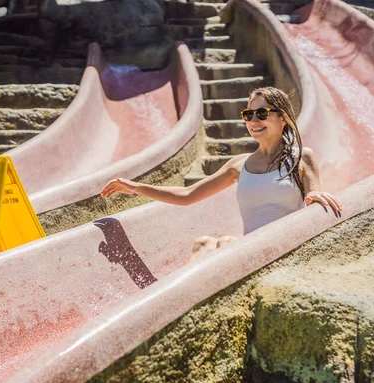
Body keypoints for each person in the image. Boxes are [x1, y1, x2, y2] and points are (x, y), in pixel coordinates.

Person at [101, 86, 342, 262]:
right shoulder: (239, 165)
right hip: (248, 249)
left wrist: (317, 198)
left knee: (225, 243)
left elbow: (314, 197)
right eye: (248, 115)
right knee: (203, 244)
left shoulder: (301, 157)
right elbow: (187, 194)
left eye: (262, 113)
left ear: (283, 118)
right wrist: (135, 187)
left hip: (283, 249)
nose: (254, 120)